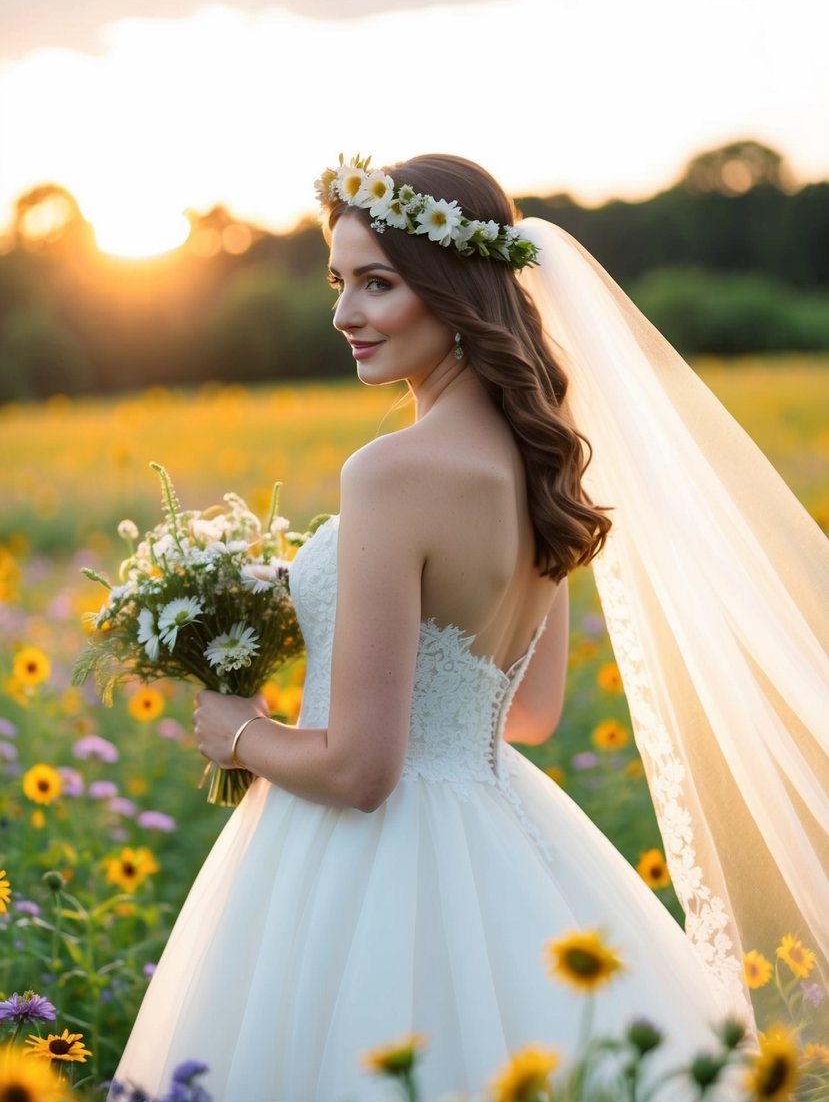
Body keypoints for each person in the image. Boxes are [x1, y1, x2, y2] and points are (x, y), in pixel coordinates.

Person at [111, 154, 828, 1101]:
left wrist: (238, 730)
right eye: (338, 283)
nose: (344, 315)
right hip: (498, 837)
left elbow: (364, 773)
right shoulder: (544, 466)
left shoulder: (392, 472)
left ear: (453, 289)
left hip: (362, 865)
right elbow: (527, 712)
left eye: (378, 283)